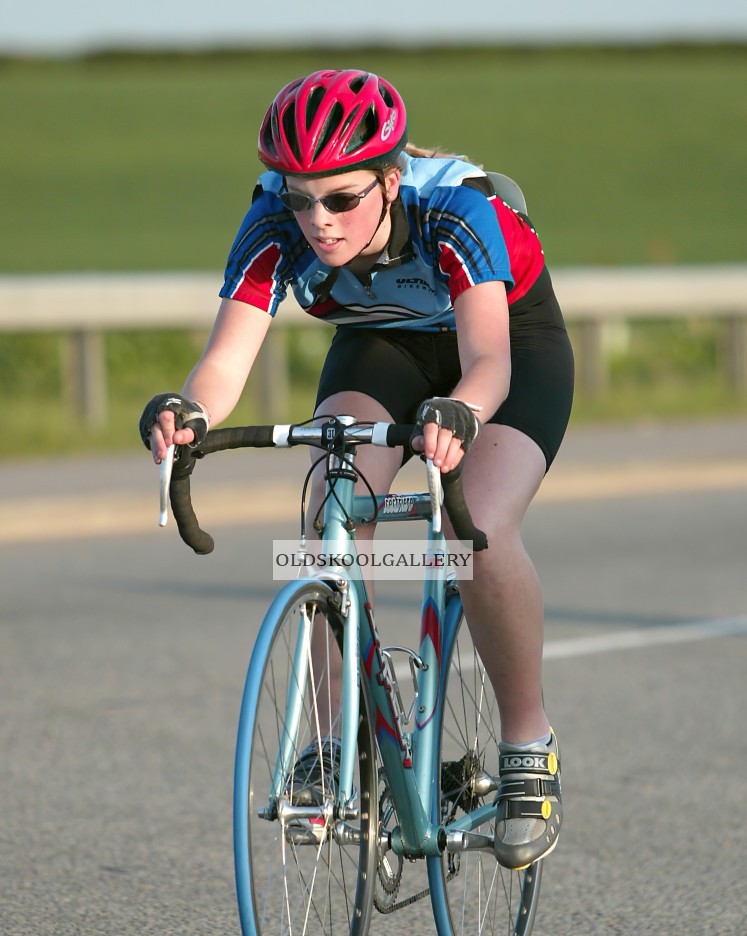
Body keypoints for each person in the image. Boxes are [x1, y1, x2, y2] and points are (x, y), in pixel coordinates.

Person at [139, 69, 574, 870]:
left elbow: (487, 363)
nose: (317, 221)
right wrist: (188, 411)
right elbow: (225, 361)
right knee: (331, 512)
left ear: (390, 179)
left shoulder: (455, 209)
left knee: (471, 525)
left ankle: (526, 746)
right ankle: (337, 743)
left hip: (504, 345)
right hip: (381, 344)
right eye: (300, 198)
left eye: (340, 199)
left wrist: (462, 414)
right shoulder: (271, 221)